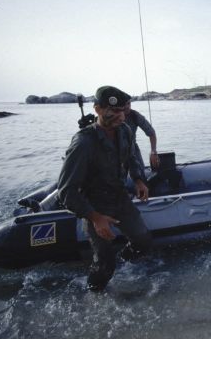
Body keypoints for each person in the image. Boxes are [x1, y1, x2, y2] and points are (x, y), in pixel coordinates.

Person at [58, 85, 153, 291]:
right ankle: (95, 293)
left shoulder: (125, 131)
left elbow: (131, 157)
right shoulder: (83, 143)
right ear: (98, 109)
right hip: (95, 205)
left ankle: (124, 264)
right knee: (104, 265)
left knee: (143, 241)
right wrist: (95, 217)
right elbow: (66, 191)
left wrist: (138, 179)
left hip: (120, 198)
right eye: (115, 111)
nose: (121, 116)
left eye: (123, 111)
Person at [123, 99, 160, 175]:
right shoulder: (110, 118)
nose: (127, 106)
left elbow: (151, 133)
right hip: (113, 150)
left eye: (128, 103)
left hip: (132, 148)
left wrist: (153, 152)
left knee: (141, 174)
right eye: (123, 104)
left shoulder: (135, 116)